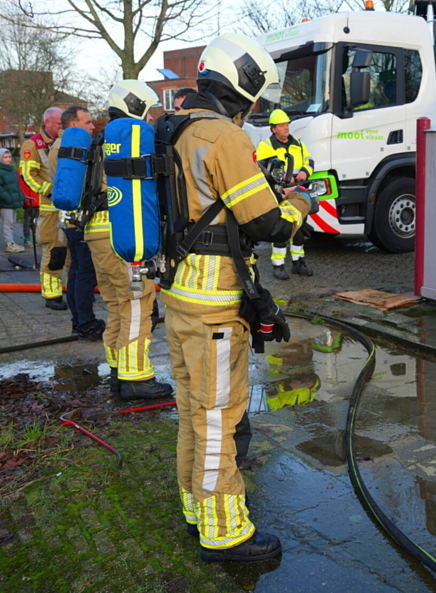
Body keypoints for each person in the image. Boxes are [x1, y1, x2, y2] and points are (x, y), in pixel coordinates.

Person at [162, 33, 312, 563]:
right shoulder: (223, 136)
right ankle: (224, 531)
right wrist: (298, 200)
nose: (255, 109)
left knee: (192, 411)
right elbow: (267, 222)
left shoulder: (173, 127)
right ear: (241, 87)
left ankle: (195, 506)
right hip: (215, 304)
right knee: (218, 417)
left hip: (178, 294)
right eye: (255, 98)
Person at [87, 80, 174, 399]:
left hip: (95, 234)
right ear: (136, 106)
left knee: (115, 304)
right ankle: (136, 378)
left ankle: (117, 369)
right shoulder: (130, 141)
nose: (151, 118)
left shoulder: (100, 140)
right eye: (148, 110)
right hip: (123, 236)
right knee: (138, 302)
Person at [51, 106, 104, 339]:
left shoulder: (57, 147)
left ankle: (77, 320)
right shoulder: (73, 148)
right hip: (80, 220)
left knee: (74, 271)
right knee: (85, 272)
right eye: (88, 122)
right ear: (73, 125)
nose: (92, 127)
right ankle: (86, 321)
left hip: (69, 219)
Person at [255, 109, 315, 280]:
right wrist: (281, 186)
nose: (285, 128)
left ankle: (298, 263)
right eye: (281, 126)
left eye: (287, 124)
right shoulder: (265, 146)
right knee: (281, 229)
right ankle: (278, 266)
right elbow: (263, 170)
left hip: (297, 191)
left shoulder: (299, 144)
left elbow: (309, 161)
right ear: (273, 129)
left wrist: (304, 171)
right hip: (278, 193)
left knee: (299, 229)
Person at [21, 107, 69, 310]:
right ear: (47, 122)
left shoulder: (66, 140)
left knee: (75, 252)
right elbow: (29, 174)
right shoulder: (33, 144)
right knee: (54, 251)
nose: (61, 127)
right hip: (50, 208)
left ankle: (76, 289)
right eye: (59, 123)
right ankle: (52, 294)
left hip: (71, 206)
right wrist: (50, 191)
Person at [0, 148, 25, 253]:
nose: (8, 159)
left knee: (12, 222)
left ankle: (11, 242)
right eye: (5, 157)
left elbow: (15, 185)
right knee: (8, 223)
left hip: (12, 200)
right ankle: (9, 243)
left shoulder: (10, 170)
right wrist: (7, 198)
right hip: (6, 202)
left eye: (9, 157)